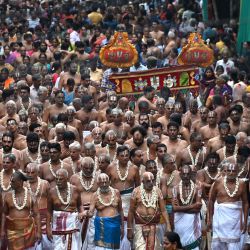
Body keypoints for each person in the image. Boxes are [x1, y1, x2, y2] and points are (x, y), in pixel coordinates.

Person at [208, 163, 248, 249]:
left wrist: (244, 222)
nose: (230, 173)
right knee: (217, 245)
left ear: (237, 172)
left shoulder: (242, 184)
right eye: (228, 170)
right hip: (219, 221)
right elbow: (211, 200)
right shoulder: (218, 182)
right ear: (225, 172)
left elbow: (245, 203)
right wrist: (210, 219)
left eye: (233, 171)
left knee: (233, 247)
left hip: (234, 223)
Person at [107, 145, 140, 249]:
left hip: (129, 201)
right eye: (122, 156)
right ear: (117, 156)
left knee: (129, 227)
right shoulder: (111, 167)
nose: (125, 157)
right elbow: (105, 185)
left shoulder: (134, 168)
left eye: (127, 155)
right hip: (115, 201)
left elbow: (138, 188)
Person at [127, 172, 171, 249]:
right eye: (148, 181)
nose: (151, 183)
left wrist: (168, 225)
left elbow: (163, 210)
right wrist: (129, 229)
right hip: (139, 226)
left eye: (152, 180)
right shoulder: (136, 191)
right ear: (142, 182)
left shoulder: (158, 191)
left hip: (155, 226)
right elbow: (131, 211)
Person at [1, 171, 42, 249]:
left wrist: (39, 232)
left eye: (13, 182)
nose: (10, 184)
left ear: (20, 182)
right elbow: (4, 213)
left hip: (28, 231)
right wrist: (2, 230)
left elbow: (37, 214)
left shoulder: (31, 195)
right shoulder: (7, 196)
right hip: (12, 232)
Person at [84, 173, 124, 249]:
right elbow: (91, 212)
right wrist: (85, 213)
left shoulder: (116, 192)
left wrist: (122, 227)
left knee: (115, 248)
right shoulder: (95, 195)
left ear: (109, 182)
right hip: (102, 226)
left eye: (106, 182)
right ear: (98, 184)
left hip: (115, 225)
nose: (104, 184)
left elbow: (121, 210)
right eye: (102, 183)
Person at [47, 169, 84, 250]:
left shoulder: (75, 190)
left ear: (67, 179)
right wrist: (48, 228)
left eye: (61, 179)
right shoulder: (52, 192)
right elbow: (49, 211)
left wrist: (82, 212)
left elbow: (80, 205)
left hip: (72, 226)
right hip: (57, 228)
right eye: (56, 179)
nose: (58, 181)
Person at [70, 157, 98, 249]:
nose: (89, 170)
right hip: (79, 213)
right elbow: (71, 196)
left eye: (91, 168)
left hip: (94, 213)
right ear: (81, 166)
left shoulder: (98, 177)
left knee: (92, 238)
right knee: (77, 237)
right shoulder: (74, 178)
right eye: (86, 168)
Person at [172, 165, 202, 249]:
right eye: (183, 174)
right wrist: (193, 205)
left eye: (188, 174)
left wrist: (180, 209)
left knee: (193, 245)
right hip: (179, 222)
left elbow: (197, 209)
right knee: (179, 243)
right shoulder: (175, 189)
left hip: (192, 221)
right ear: (180, 175)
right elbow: (174, 208)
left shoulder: (198, 188)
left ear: (191, 175)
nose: (185, 176)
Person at [25, 163, 51, 250]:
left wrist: (48, 225)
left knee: (48, 245)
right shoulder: (23, 184)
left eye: (32, 172)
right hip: (29, 219)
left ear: (38, 172)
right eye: (28, 172)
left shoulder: (45, 184)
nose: (30, 175)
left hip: (44, 217)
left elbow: (50, 204)